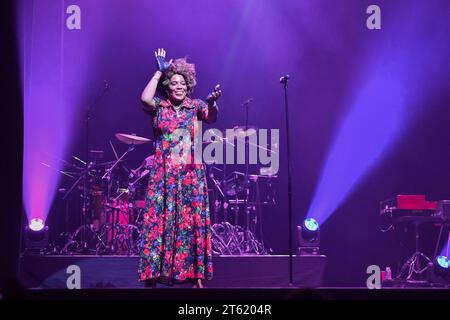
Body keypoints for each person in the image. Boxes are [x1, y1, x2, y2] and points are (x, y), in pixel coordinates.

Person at [138, 48, 221, 288]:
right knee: (159, 222)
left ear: (189, 85)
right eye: (173, 83)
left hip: (190, 176)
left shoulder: (195, 106)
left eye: (182, 83)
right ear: (167, 86)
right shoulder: (159, 106)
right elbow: (144, 99)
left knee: (192, 223)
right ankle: (153, 276)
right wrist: (158, 71)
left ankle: (196, 278)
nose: (178, 87)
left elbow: (212, 117)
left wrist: (213, 102)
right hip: (163, 176)